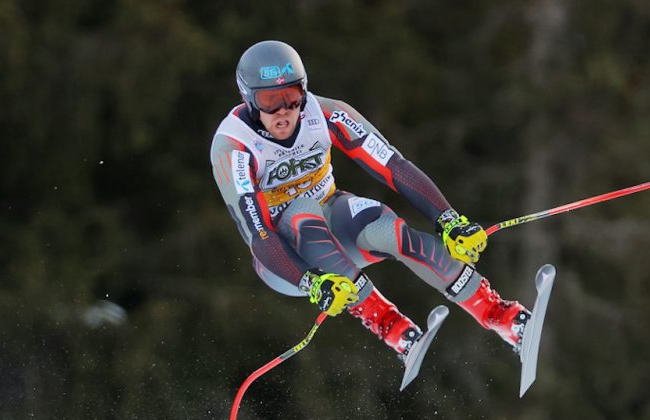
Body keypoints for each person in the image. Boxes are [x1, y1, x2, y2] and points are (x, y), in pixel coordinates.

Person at [210, 40, 531, 366]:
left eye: (292, 97)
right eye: (269, 101)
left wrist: (448, 219)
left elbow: (393, 166)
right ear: (248, 99)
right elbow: (259, 233)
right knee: (302, 211)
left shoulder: (325, 114)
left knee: (387, 229)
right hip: (285, 261)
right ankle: (391, 327)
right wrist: (310, 281)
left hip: (331, 216)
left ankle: (499, 315)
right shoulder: (234, 147)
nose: (284, 112)